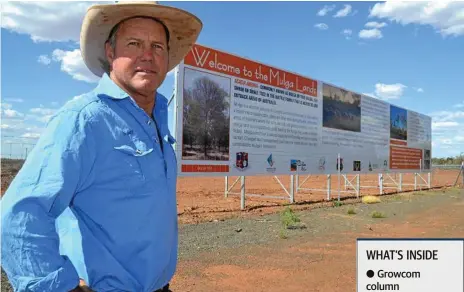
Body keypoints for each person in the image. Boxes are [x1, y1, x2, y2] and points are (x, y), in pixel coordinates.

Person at [1, 1, 202, 291]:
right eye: (134, 43)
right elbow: (19, 216)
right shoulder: (84, 120)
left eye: (158, 46)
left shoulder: (157, 121)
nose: (148, 55)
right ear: (110, 52)